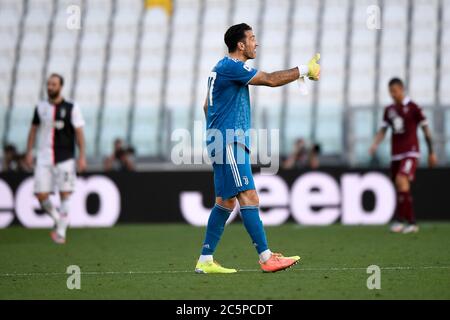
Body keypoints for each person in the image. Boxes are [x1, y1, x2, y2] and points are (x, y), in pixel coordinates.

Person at [195, 23, 320, 274]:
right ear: (240, 45)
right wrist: (304, 70)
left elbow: (206, 105)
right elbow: (272, 80)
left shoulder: (219, 68)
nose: (256, 43)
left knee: (226, 202)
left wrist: (215, 133)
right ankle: (266, 257)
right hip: (229, 142)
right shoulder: (231, 67)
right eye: (252, 38)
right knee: (249, 196)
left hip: (223, 141)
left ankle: (205, 260)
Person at [369, 78, 437, 234]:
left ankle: (412, 223)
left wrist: (431, 152)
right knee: (399, 185)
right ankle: (400, 220)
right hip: (396, 154)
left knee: (401, 180)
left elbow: (426, 129)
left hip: (410, 151)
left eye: (394, 91)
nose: (392, 94)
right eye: (390, 92)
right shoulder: (389, 109)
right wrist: (375, 144)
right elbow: (383, 130)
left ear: (401, 89)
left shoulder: (414, 108)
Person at [25, 73, 86, 244]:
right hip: (44, 158)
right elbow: (33, 130)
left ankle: (60, 233)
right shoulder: (41, 107)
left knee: (65, 194)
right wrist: (29, 152)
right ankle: (59, 219)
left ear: (60, 86)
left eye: (54, 84)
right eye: (48, 84)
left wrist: (82, 156)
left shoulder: (72, 107)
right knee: (41, 195)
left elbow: (80, 133)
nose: (50, 87)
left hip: (65, 157)